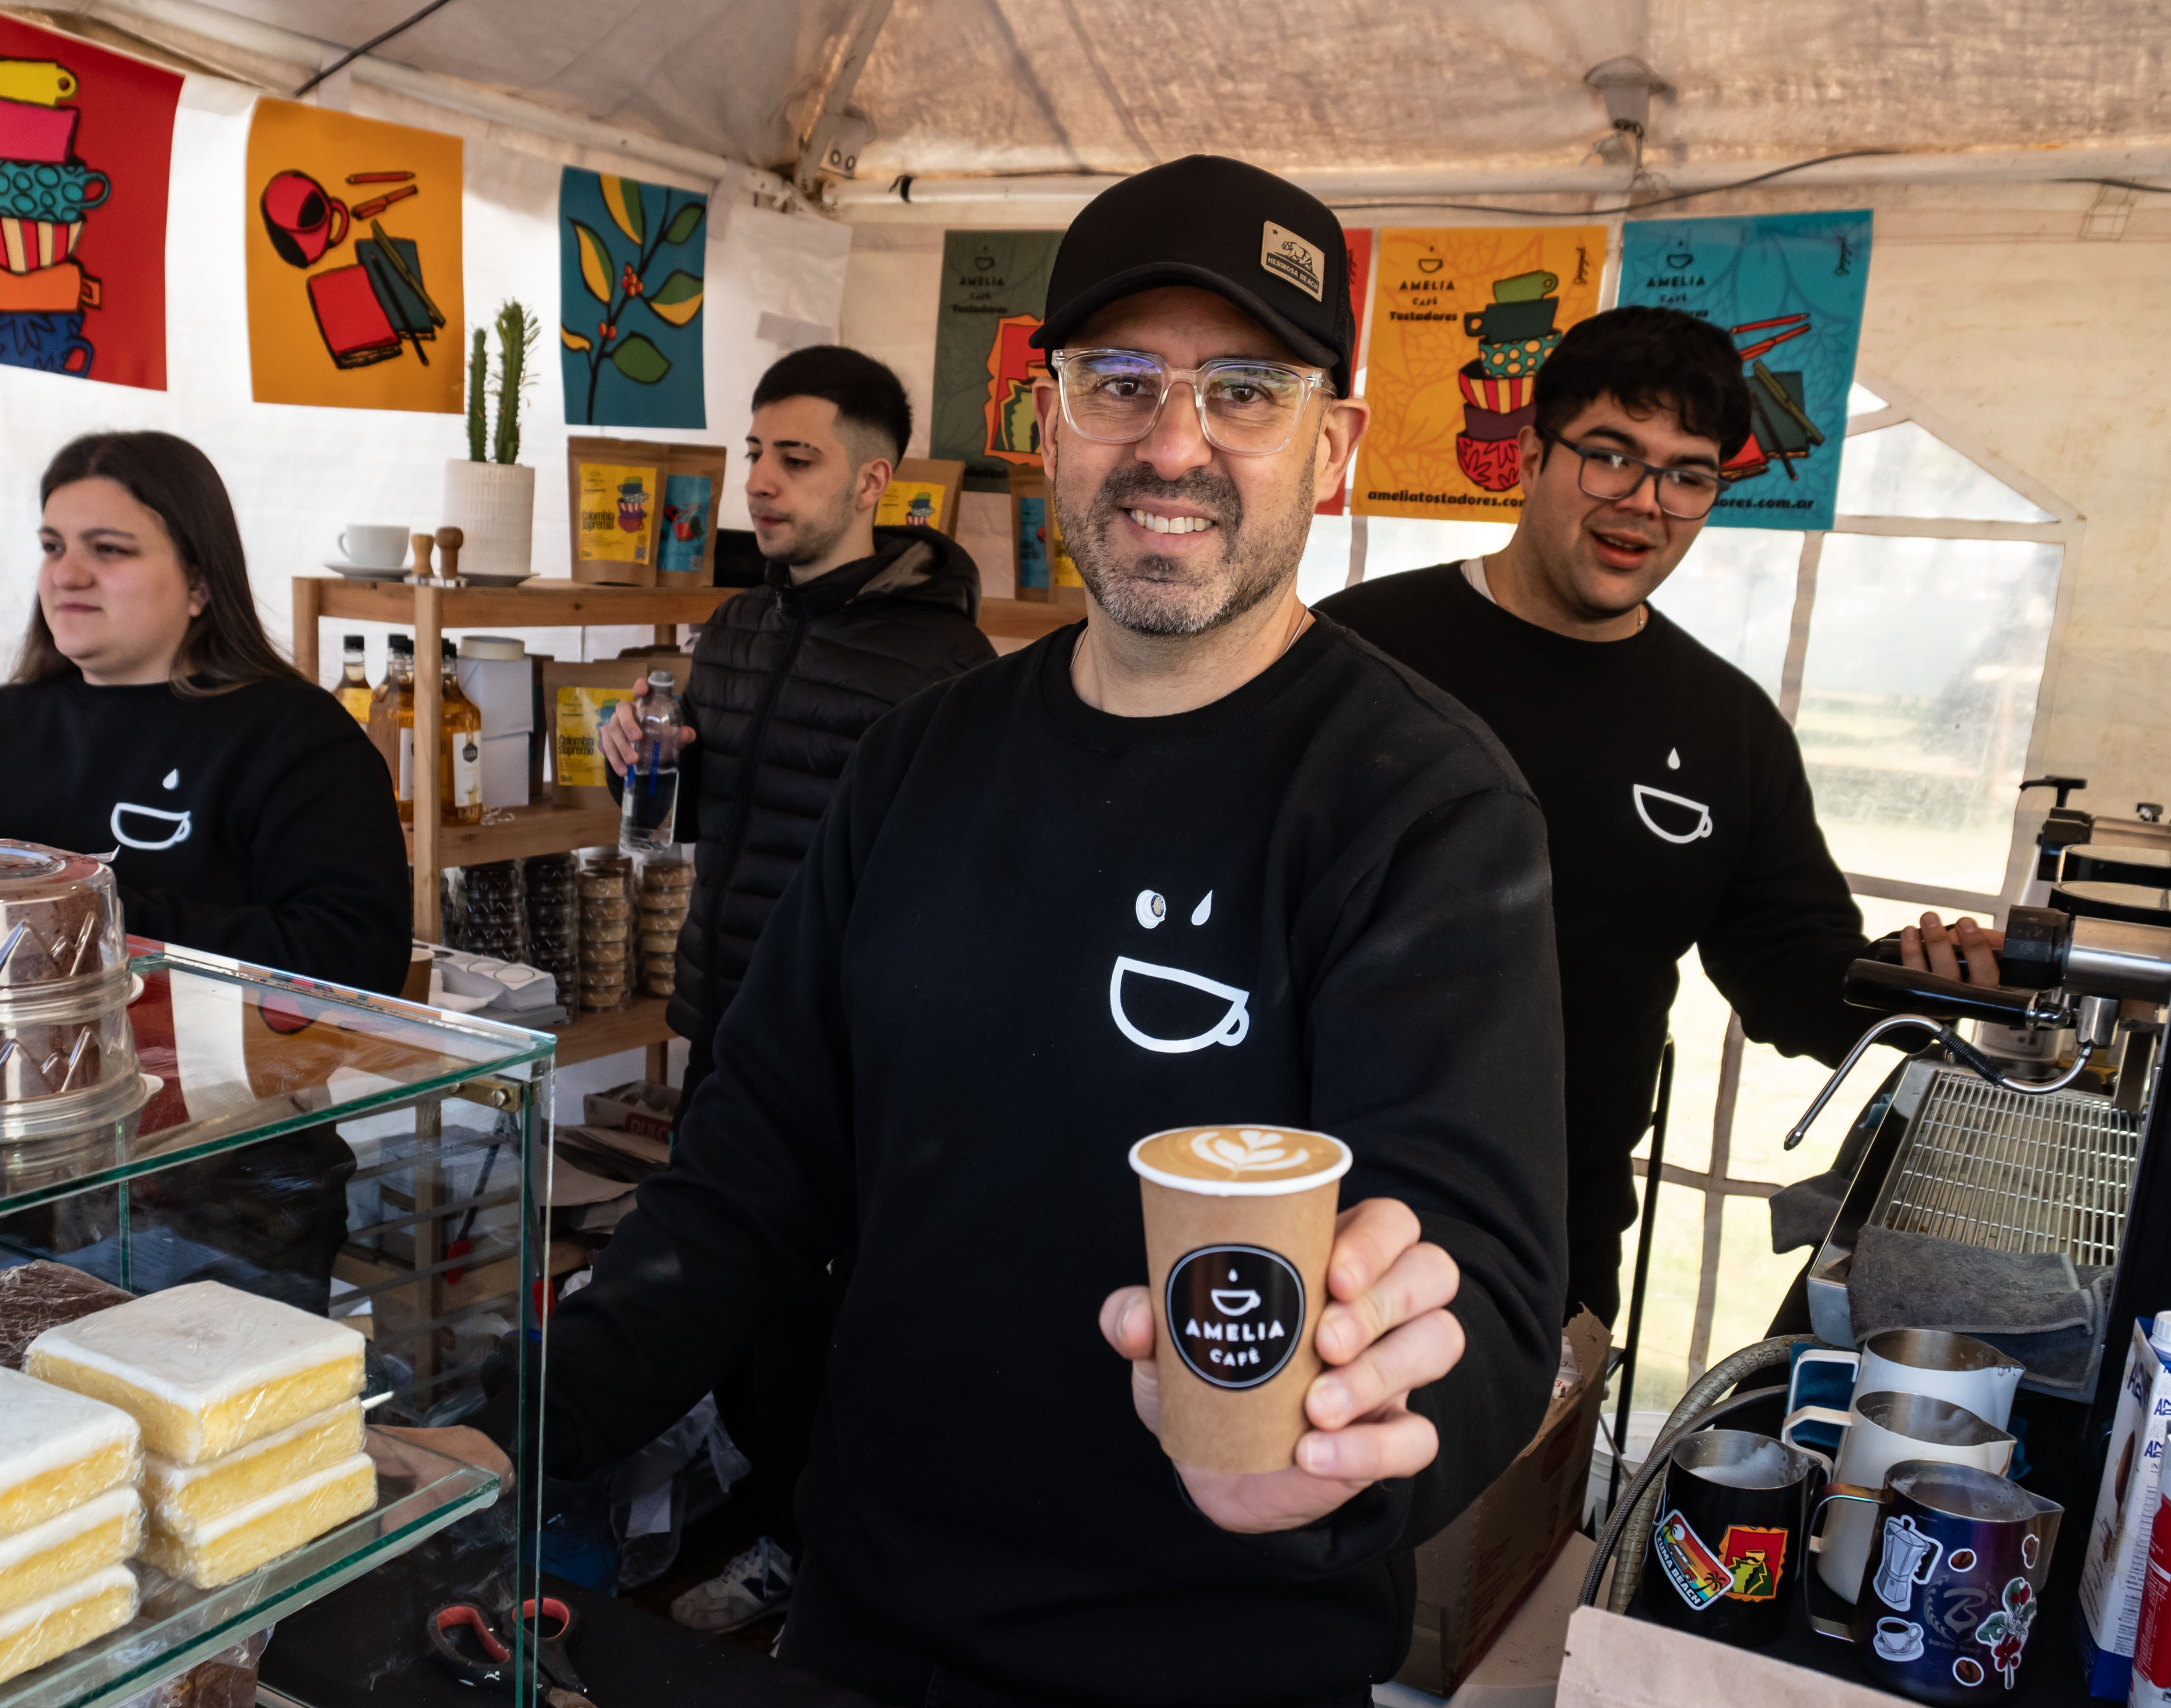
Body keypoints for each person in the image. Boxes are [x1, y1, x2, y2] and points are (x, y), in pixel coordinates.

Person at [445, 155, 1567, 1707]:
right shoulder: (922, 756)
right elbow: (750, 1172)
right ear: (1045, 419)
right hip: (864, 1622)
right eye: (1119, 382)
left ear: (1333, 446)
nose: (1171, 444)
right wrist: (513, 1423)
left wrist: (1348, 1457)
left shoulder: (1416, 802)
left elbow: (1481, 1273)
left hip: (1216, 1658)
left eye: (1243, 391)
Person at [1318, 307, 2000, 1327]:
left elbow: (1790, 973)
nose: (1643, 502)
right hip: (1321, 1197)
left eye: (1685, 475)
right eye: (1609, 457)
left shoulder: (1726, 728)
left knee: (1519, 1492)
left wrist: (1923, 980)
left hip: (1557, 1231)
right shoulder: (1357, 656)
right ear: (1530, 455)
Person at [592, 345, 995, 1632]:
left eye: (794, 458)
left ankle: (817, 1559)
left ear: (874, 478)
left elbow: (958, 882)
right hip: (727, 1021)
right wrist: (636, 764)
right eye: (751, 455)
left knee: (838, 1319)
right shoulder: (739, 625)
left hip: (857, 1057)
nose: (757, 483)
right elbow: (708, 816)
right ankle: (748, 1509)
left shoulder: (944, 665)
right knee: (731, 1297)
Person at [0, 430, 411, 1309]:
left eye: (108, 549)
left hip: (213, 1201)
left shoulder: (294, 738)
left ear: (200, 580)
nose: (67, 575)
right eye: (53, 546)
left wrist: (75, 912)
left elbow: (355, 957)